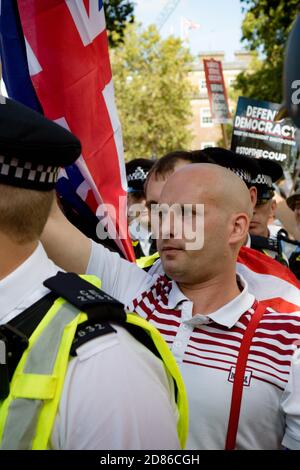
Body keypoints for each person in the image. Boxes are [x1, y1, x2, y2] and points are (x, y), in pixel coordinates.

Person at [43, 160, 300, 450]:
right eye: (161, 213)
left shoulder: (288, 344)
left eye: (188, 213)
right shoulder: (132, 291)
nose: (166, 227)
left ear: (237, 227)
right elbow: (49, 224)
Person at [0, 97, 187, 450]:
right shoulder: (138, 286)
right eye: (157, 208)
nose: (169, 226)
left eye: (187, 211)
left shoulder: (107, 373)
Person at [125, 158, 156, 260]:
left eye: (150, 195)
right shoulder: (114, 243)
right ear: (127, 198)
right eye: (137, 195)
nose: (145, 202)